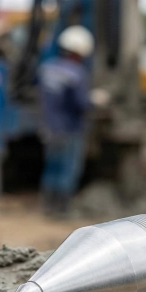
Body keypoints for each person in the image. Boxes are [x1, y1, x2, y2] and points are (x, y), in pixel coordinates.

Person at [38, 25, 95, 215]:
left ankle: (47, 207)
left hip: (50, 126)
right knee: (67, 169)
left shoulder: (48, 67)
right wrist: (96, 102)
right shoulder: (76, 73)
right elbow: (81, 103)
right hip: (70, 128)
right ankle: (62, 210)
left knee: (51, 167)